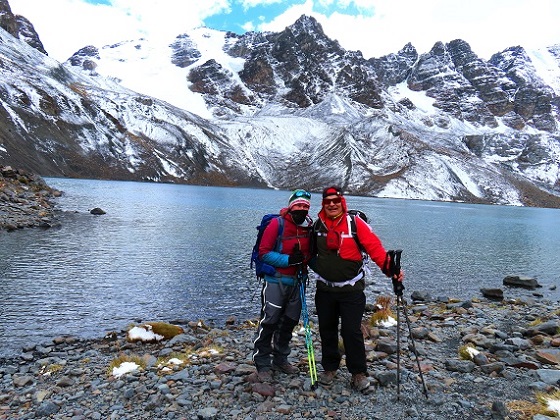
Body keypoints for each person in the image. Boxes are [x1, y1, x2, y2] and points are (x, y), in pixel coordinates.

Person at [310, 186, 404, 392]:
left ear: (342, 202)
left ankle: (358, 373)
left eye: (336, 201)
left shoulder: (355, 224)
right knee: (327, 330)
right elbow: (310, 253)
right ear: (323, 204)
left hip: (351, 291)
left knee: (351, 331)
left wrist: (392, 271)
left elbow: (375, 249)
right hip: (325, 290)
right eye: (328, 202)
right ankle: (330, 368)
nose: (332, 205)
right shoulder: (317, 226)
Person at [252, 189, 313, 382]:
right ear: (291, 206)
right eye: (298, 205)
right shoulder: (276, 225)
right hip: (276, 281)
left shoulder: (309, 227)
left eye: (305, 206)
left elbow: (311, 254)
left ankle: (280, 358)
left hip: (298, 282)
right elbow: (264, 253)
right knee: (269, 321)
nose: (301, 209)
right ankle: (262, 363)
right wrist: (288, 260)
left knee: (289, 321)